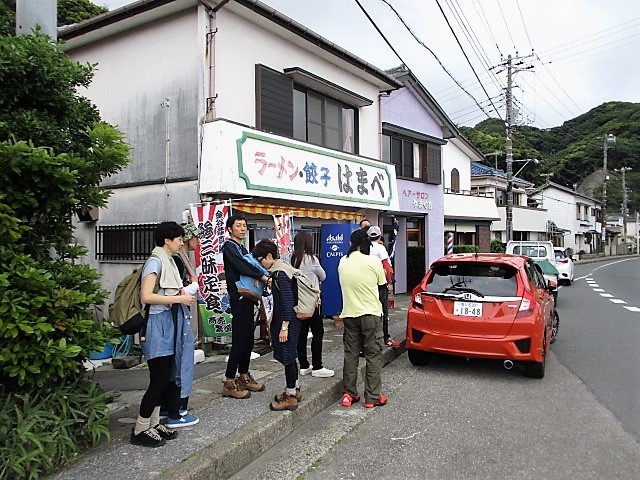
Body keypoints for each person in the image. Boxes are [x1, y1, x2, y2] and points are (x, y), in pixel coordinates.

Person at [132, 221, 199, 448]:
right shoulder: (155, 262)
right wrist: (178, 299)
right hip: (156, 325)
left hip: (168, 323)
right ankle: (140, 428)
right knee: (159, 379)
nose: (182, 242)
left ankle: (153, 423)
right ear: (166, 240)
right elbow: (146, 296)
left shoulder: (168, 260)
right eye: (179, 239)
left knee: (165, 377)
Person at [338, 229, 388, 409]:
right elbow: (382, 283)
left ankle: (349, 394)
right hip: (371, 314)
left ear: (352, 243)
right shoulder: (373, 261)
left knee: (351, 355)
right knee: (373, 355)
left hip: (350, 314)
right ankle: (372, 397)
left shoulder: (343, 261)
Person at [221, 214, 270, 399]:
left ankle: (243, 375)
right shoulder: (229, 247)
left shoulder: (242, 248)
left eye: (244, 226)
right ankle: (228, 381)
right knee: (240, 340)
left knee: (249, 339)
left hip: (249, 298)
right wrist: (263, 277)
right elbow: (242, 267)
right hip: (239, 297)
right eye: (238, 225)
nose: (242, 228)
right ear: (230, 229)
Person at [253, 239, 302, 411]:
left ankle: (290, 397)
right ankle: (295, 390)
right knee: (291, 356)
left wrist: (284, 327)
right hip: (292, 320)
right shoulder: (283, 268)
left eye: (260, 260)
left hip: (287, 321)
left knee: (288, 357)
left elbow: (287, 301)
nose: (260, 264)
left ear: (268, 256)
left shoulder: (280, 274)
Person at [160, 221, 200, 418]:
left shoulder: (177, 258)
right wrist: (192, 287)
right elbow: (176, 291)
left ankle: (171, 406)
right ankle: (176, 407)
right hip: (174, 315)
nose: (197, 242)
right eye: (195, 237)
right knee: (180, 360)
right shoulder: (174, 260)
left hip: (175, 314)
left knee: (176, 360)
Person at [290, 232, 334, 378]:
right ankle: (317, 366)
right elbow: (323, 276)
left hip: (298, 302)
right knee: (317, 332)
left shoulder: (292, 259)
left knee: (301, 334)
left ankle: (303, 365)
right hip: (312, 302)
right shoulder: (311, 259)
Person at [367, 226, 400, 348]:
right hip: (380, 284)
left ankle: (370, 338)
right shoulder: (380, 248)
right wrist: (390, 282)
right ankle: (385, 337)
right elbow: (386, 266)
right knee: (383, 312)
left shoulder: (364, 248)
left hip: (367, 284)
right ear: (380, 236)